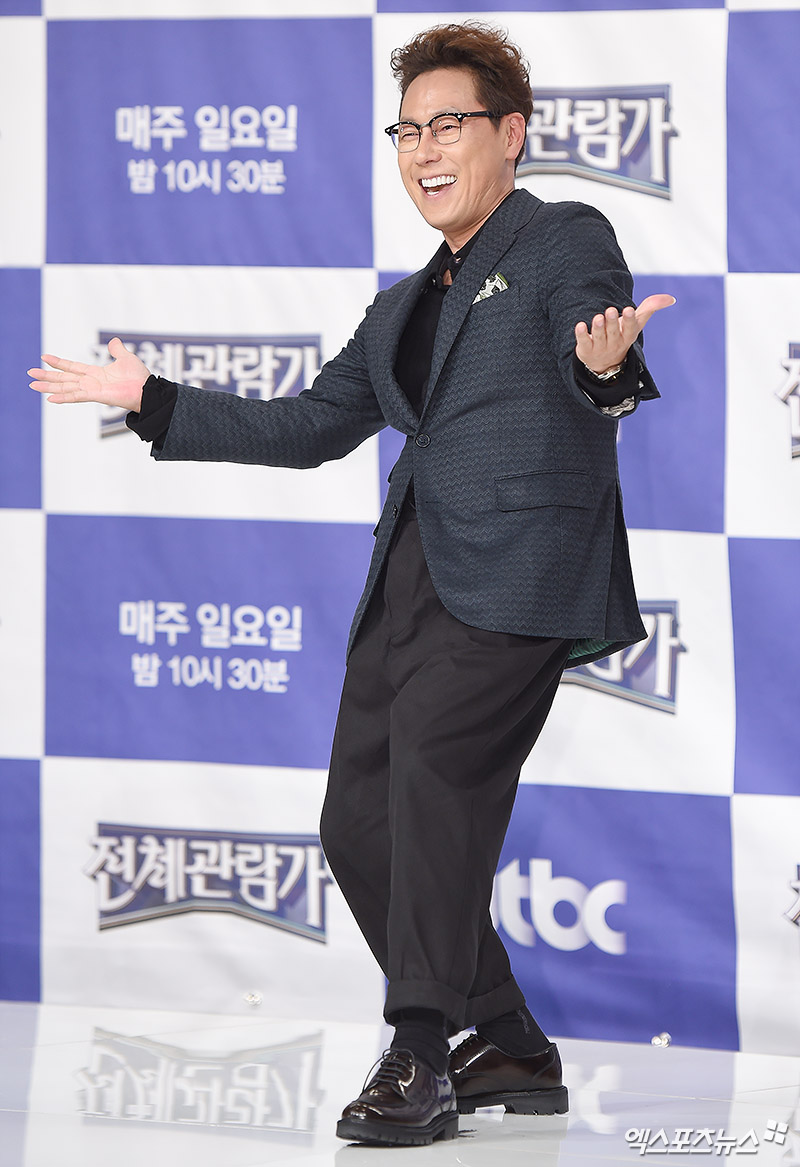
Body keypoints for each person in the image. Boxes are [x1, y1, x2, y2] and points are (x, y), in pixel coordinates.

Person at [30, 21, 674, 1149]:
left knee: (433, 786)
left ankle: (419, 1053)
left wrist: (607, 368)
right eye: (407, 130)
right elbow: (311, 426)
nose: (424, 149)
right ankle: (510, 1043)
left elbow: (596, 340)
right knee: (354, 824)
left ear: (510, 134)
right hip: (408, 579)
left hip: (517, 576)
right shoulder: (400, 305)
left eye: (449, 124)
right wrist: (153, 400)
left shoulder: (563, 235)